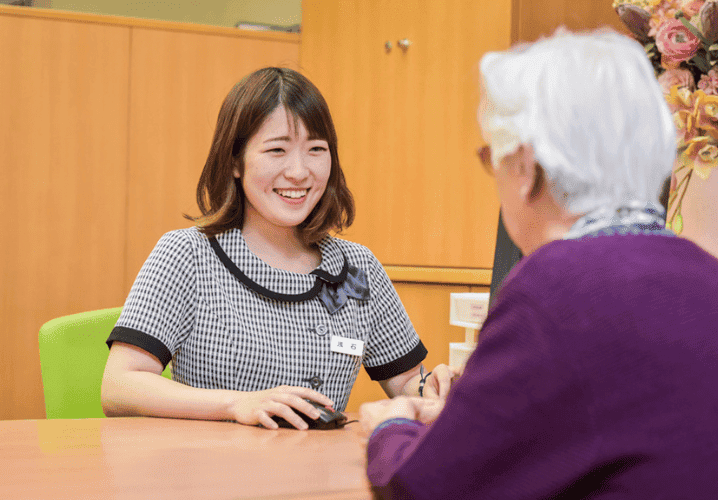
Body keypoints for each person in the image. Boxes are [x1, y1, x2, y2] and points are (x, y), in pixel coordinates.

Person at [361, 30, 718, 498]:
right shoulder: (704, 275)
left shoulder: (556, 287)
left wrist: (388, 429)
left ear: (525, 168)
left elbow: (423, 488)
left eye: (493, 159)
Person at [101, 67, 455, 430]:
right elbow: (119, 385)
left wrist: (433, 387)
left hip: (318, 477)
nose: (299, 172)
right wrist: (237, 404)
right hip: (213, 476)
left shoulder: (356, 270)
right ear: (235, 161)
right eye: (277, 150)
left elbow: (406, 381)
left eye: (316, 149)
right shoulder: (188, 254)